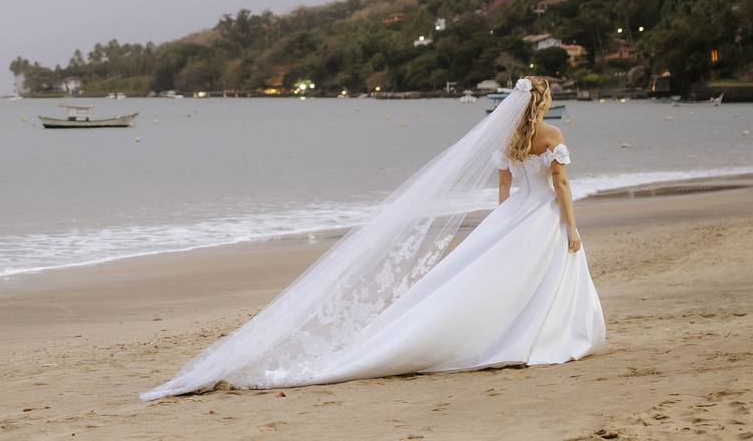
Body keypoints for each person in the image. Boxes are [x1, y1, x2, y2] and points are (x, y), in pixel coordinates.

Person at [141, 77, 604, 400]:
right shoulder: (552, 134)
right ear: (542, 103)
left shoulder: (507, 141)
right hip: (541, 215)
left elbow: (503, 193)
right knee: (539, 279)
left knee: (495, 280)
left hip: (511, 218)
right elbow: (560, 186)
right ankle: (536, 337)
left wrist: (500, 228)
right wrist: (573, 227)